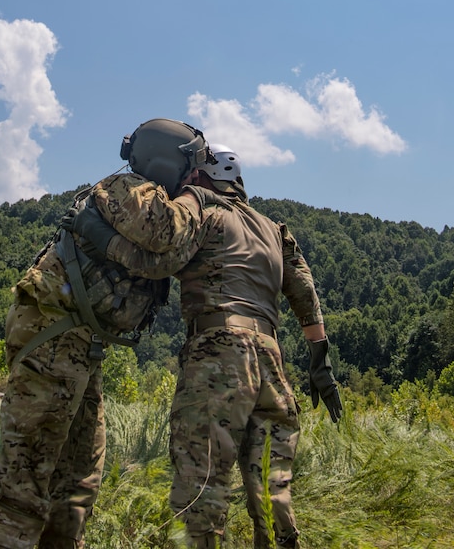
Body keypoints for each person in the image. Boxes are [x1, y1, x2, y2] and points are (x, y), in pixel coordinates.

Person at [78, 141, 342, 549]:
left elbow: (159, 257)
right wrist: (319, 360)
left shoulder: (202, 204)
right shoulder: (272, 228)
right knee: (272, 491)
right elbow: (304, 291)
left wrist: (96, 231)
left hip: (218, 354)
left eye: (190, 172)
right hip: (271, 362)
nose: (184, 179)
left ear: (206, 174)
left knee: (200, 487)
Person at [0, 118, 216, 549]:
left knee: (79, 474)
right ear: (166, 163)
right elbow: (168, 233)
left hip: (77, 343)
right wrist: (199, 197)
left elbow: (166, 260)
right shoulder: (127, 190)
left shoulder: (144, 197)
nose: (195, 177)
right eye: (192, 168)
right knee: (28, 470)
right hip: (53, 334)